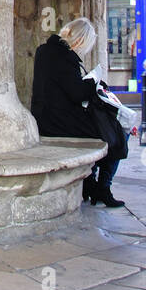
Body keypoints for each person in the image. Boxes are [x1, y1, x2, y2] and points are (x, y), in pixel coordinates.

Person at [30, 17, 127, 208]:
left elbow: (62, 87)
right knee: (116, 133)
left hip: (46, 116)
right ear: (80, 41)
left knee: (106, 130)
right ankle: (102, 188)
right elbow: (77, 94)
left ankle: (90, 185)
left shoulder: (45, 51)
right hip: (59, 121)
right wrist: (93, 82)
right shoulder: (64, 57)